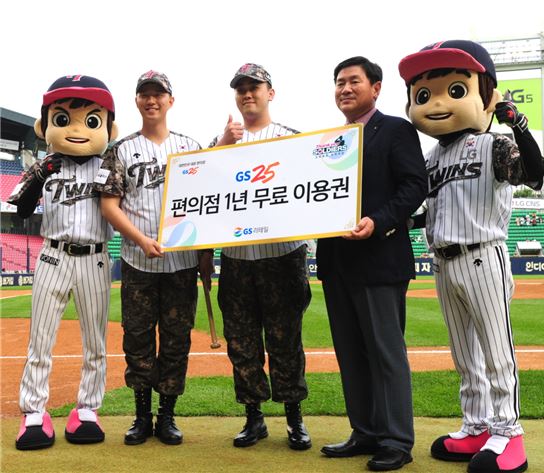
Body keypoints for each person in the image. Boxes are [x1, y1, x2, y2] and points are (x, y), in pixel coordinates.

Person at [399, 40, 544, 473]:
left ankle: (509, 433)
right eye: (423, 94)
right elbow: (428, 212)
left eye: (454, 90)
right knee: (464, 354)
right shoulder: (430, 159)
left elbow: (535, 174)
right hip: (443, 260)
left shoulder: (493, 144)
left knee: (496, 351)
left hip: (482, 255)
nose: (436, 103)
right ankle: (478, 425)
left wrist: (518, 125)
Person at [316, 56, 428, 471]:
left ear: (375, 88)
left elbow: (415, 185)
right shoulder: (328, 142)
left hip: (379, 260)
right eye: (339, 82)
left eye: (353, 81)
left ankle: (396, 439)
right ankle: (364, 431)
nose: (345, 89)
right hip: (336, 263)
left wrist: (378, 221)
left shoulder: (396, 130)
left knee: (385, 354)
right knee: (350, 353)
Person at [93, 70, 213, 446]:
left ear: (170, 101)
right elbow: (108, 205)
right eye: (144, 94)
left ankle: (168, 416)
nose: (151, 100)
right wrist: (141, 240)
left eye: (158, 94)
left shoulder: (190, 147)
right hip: (138, 261)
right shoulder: (120, 149)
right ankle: (142, 416)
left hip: (181, 264)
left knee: (176, 340)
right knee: (138, 339)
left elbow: (207, 201)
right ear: (137, 101)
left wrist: (204, 249)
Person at [9, 75, 118, 450]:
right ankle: (34, 412)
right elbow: (22, 210)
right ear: (45, 125)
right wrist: (39, 176)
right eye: (62, 118)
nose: (75, 129)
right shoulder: (46, 164)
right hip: (52, 255)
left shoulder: (109, 166)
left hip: (95, 259)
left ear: (108, 127)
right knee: (40, 340)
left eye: (91, 120)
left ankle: (87, 409)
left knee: (95, 343)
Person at [209, 63, 312, 451]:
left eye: (255, 86)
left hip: (281, 255)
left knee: (286, 340)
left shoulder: (292, 139)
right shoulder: (221, 141)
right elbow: (199, 188)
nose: (247, 93)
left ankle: (294, 418)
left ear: (271, 93)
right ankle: (254, 418)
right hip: (237, 258)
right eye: (241, 89)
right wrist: (223, 145)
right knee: (242, 343)